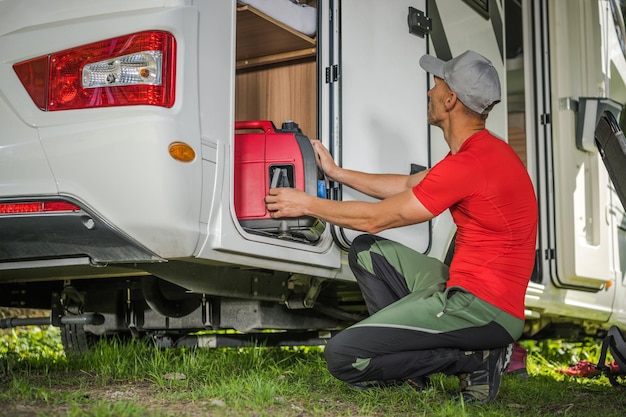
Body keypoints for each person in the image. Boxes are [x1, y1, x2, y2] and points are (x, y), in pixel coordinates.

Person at [265, 50, 538, 404]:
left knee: (343, 356)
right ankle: (413, 370)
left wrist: (306, 204)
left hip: (483, 309)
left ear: (451, 99)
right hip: (468, 287)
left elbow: (377, 218)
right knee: (366, 251)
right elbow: (407, 185)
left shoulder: (470, 164)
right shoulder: (483, 154)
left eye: (436, 85)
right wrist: (337, 172)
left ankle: (476, 358)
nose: (429, 92)